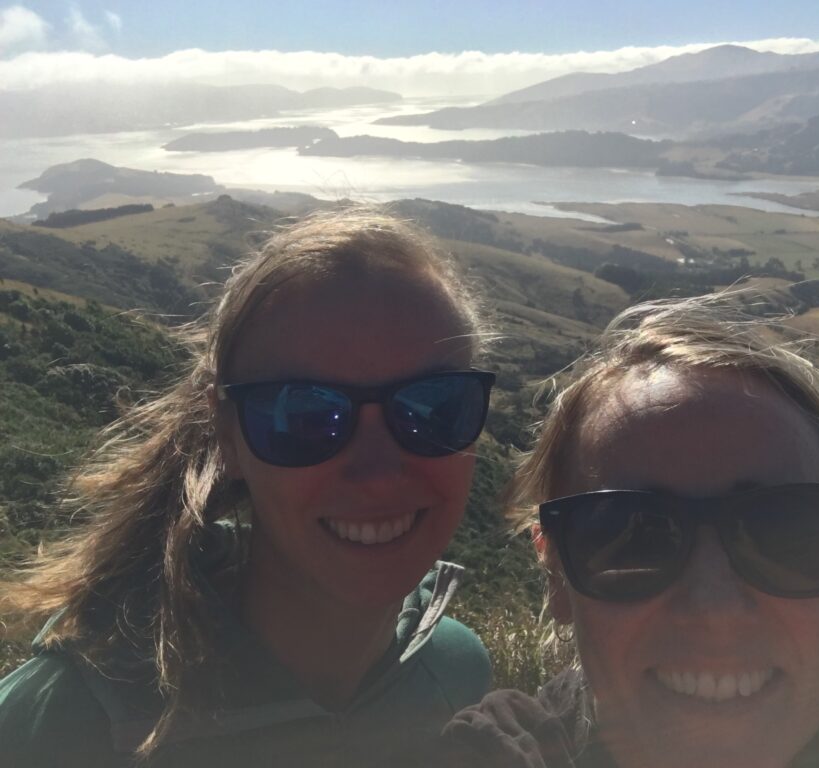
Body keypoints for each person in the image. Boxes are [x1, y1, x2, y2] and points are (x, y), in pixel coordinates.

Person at [0, 209, 495, 767]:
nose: (378, 470)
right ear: (226, 435)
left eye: (434, 408)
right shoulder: (67, 723)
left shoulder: (457, 670)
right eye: (304, 414)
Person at [441, 296, 819, 768]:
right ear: (556, 575)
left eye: (787, 531)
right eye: (632, 536)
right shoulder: (509, 750)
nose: (714, 608)